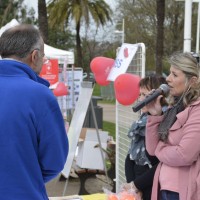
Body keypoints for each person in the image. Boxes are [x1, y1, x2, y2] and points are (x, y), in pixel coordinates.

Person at [0, 24, 69, 200]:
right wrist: (26, 175)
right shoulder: (40, 95)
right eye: (43, 57)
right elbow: (54, 162)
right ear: (35, 56)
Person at [145, 52, 200, 200]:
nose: (168, 79)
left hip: (181, 192)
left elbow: (185, 155)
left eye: (175, 75)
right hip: (164, 188)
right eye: (169, 73)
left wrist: (160, 149)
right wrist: (155, 115)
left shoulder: (197, 110)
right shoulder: (174, 108)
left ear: (192, 81)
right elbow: (151, 149)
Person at [124, 75, 168, 200]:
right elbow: (130, 156)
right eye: (140, 95)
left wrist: (136, 185)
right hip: (137, 182)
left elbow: (160, 164)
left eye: (145, 95)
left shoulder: (165, 120)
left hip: (153, 183)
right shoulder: (142, 119)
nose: (140, 99)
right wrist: (133, 187)